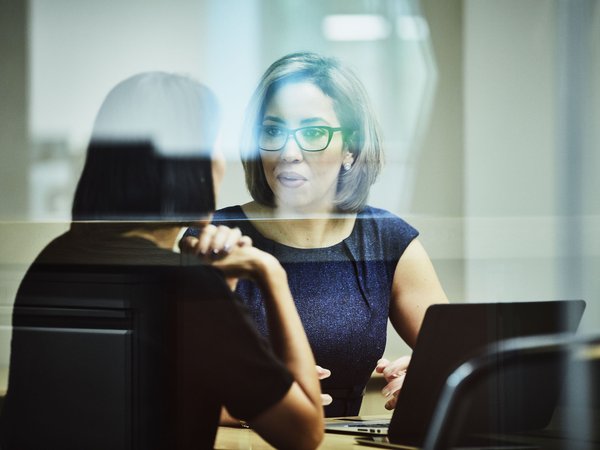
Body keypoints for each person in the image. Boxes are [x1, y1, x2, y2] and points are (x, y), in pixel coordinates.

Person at [0, 72, 323, 449]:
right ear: (189, 165)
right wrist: (270, 274)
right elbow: (303, 434)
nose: (222, 164)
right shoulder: (184, 289)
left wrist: (221, 287)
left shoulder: (56, 259)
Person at [184, 52, 448, 417]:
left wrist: (430, 379)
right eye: (273, 131)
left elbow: (461, 360)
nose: (289, 152)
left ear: (351, 149)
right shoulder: (214, 239)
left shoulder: (387, 240)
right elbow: (167, 383)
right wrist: (255, 399)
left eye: (312, 133)